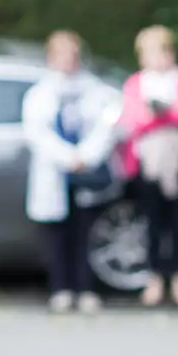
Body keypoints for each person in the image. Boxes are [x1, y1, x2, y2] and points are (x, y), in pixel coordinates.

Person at [22, 31, 122, 314]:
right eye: (61, 55)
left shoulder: (97, 91)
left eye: (71, 55)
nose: (67, 61)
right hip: (56, 172)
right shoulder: (40, 94)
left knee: (86, 234)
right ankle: (61, 288)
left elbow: (110, 125)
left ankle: (86, 288)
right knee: (58, 237)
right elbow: (37, 133)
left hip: (88, 172)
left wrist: (86, 156)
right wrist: (67, 157)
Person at [118, 25, 178, 308]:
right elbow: (133, 118)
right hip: (147, 164)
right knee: (154, 223)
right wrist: (164, 116)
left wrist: (160, 113)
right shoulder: (135, 83)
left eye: (160, 51)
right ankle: (154, 278)